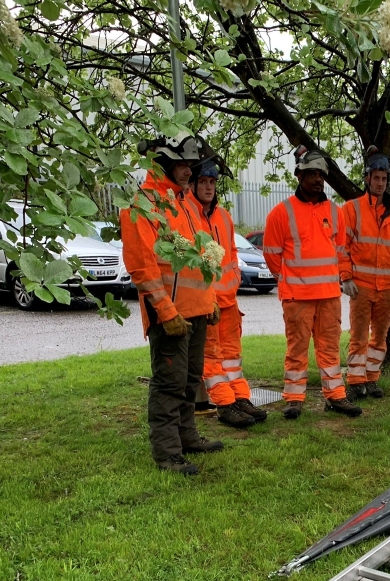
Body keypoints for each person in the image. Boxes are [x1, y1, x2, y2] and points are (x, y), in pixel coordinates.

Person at [121, 133, 223, 475]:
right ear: (162, 162)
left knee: (191, 379)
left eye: (190, 165)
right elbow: (142, 266)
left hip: (196, 309)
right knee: (169, 382)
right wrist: (166, 311)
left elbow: (199, 256)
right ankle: (167, 452)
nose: (188, 171)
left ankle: (186, 437)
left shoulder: (184, 202)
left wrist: (209, 299)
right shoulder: (144, 204)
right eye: (181, 164)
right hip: (170, 313)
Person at [262, 145, 362, 420]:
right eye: (313, 174)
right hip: (297, 297)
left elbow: (340, 251)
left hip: (329, 295)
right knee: (296, 348)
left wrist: (341, 278)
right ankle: (294, 399)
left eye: (322, 175)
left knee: (329, 348)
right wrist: (290, 281)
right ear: (299, 175)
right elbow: (271, 255)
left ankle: (335, 396)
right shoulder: (281, 213)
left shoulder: (335, 212)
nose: (318, 179)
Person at [188, 158, 268, 429]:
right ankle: (224, 404)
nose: (208, 187)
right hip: (205, 302)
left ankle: (240, 398)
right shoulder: (187, 216)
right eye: (203, 182)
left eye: (212, 182)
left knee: (232, 355)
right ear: (193, 185)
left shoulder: (223, 216)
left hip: (229, 300)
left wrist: (233, 281)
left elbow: (232, 254)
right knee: (212, 357)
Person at [340, 148, 390, 400]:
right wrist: (346, 277)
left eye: (384, 178)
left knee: (379, 337)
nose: (380, 183)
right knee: (359, 336)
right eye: (376, 178)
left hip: (388, 286)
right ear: (367, 179)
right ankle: (355, 381)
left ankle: (371, 379)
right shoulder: (352, 209)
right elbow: (342, 247)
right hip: (361, 285)